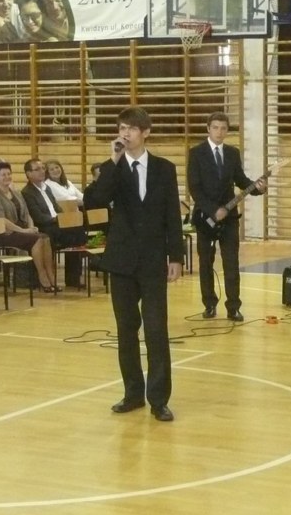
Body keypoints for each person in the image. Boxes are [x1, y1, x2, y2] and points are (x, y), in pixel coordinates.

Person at [84, 106, 184, 422]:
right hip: (122, 261)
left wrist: (176, 256)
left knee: (156, 330)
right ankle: (132, 393)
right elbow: (94, 200)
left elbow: (172, 215)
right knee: (126, 329)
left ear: (145, 132)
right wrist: (112, 161)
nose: (125, 133)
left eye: (131, 128)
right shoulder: (111, 168)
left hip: (153, 261)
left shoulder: (164, 169)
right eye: (122, 128)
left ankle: (159, 399)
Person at [187, 111, 266, 321]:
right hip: (205, 218)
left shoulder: (232, 153)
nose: (219, 132)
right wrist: (213, 210)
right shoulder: (196, 153)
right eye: (215, 127)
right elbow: (195, 188)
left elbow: (241, 180)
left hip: (230, 218)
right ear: (208, 129)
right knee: (206, 263)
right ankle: (209, 304)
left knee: (231, 263)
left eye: (223, 128)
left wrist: (257, 188)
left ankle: (233, 307)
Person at [0, 162, 57, 291]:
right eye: (3, 175)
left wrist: (31, 227)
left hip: (21, 230)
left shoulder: (16, 192)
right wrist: (24, 230)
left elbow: (27, 213)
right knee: (37, 240)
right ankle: (42, 276)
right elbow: (1, 221)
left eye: (9, 174)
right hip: (4, 233)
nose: (7, 177)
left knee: (45, 237)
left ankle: (50, 275)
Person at [21, 158, 85, 288]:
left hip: (56, 223)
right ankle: (46, 276)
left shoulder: (47, 188)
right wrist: (57, 219)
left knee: (78, 230)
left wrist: (63, 218)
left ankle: (73, 278)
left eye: (42, 168)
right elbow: (38, 216)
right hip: (44, 226)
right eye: (37, 169)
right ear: (29, 174)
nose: (42, 171)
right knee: (63, 233)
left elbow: (57, 208)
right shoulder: (27, 192)